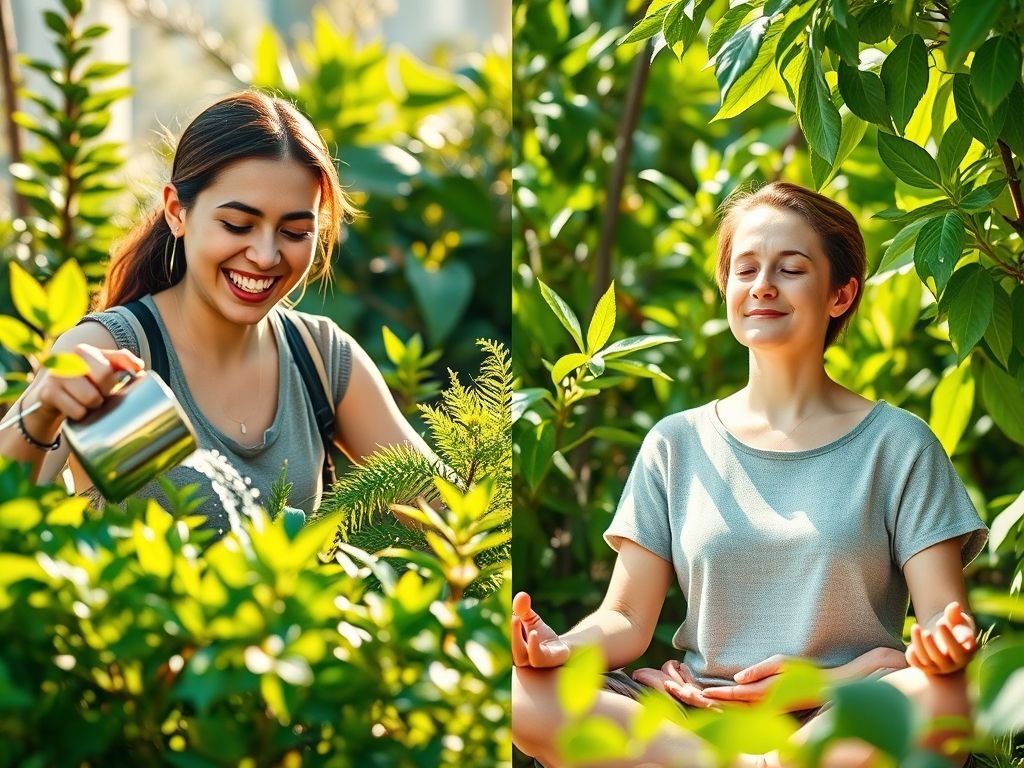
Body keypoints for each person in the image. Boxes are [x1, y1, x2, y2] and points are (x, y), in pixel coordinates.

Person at [512, 182, 988, 767]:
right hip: (694, 719)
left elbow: (944, 623)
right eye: (745, 269)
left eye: (790, 269)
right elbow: (627, 618)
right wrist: (559, 647)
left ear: (840, 294)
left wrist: (839, 679)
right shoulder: (675, 443)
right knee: (524, 694)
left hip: (840, 717)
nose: (763, 285)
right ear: (727, 289)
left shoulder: (900, 444)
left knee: (945, 696)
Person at [0, 90, 435, 532]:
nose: (265, 256)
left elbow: (448, 513)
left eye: (295, 232)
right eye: (237, 225)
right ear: (177, 212)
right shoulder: (109, 351)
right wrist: (42, 412)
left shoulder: (320, 359)